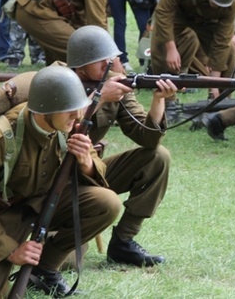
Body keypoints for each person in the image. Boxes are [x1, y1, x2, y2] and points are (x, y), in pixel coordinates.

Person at [0, 65, 120, 298]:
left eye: (78, 108)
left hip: (44, 204)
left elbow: (98, 173)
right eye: (69, 110)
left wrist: (86, 160)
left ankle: (43, 268)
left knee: (107, 203)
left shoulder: (67, 123)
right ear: (43, 110)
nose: (77, 116)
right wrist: (11, 252)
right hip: (1, 217)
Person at [66, 26, 177, 265]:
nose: (110, 64)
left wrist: (159, 101)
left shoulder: (114, 85)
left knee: (158, 157)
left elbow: (147, 138)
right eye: (101, 61)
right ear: (80, 66)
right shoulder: (58, 81)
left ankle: (123, 242)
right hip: (54, 175)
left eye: (111, 58)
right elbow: (61, 127)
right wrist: (99, 98)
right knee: (67, 261)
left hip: (91, 170)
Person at [150, 0, 235, 83]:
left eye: (219, 4)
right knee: (161, 45)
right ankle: (166, 97)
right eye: (213, 1)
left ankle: (221, 96)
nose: (215, 5)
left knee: (228, 51)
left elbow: (222, 42)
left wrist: (214, 82)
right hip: (179, 11)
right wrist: (171, 48)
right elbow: (164, 10)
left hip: (206, 19)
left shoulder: (230, 5)